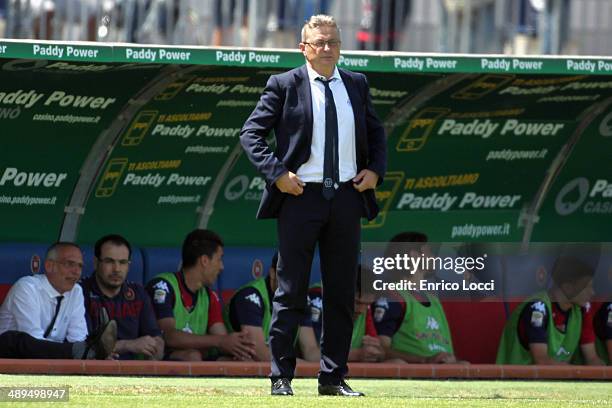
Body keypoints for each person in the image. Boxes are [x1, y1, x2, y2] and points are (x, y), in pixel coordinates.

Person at [240, 13, 386, 396]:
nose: (327, 48)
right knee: (291, 290)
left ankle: (333, 378)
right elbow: (251, 134)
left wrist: (375, 171)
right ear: (303, 48)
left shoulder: (356, 83)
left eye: (333, 42)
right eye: (319, 42)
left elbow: (376, 132)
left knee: (341, 293)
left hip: (346, 197)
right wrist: (277, 174)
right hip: (299, 196)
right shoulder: (283, 84)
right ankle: (280, 377)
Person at [146, 229, 255, 361]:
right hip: (157, 363)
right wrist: (221, 341)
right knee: (193, 356)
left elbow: (222, 337)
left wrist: (239, 346)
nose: (222, 267)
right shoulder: (163, 287)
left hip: (198, 362)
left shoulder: (209, 297)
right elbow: (170, 337)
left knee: (236, 361)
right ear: (204, 260)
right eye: (219, 259)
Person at [0, 242, 116, 359]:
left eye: (80, 266)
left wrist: (87, 352)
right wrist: (82, 351)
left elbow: (78, 338)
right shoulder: (26, 287)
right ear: (49, 266)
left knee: (82, 350)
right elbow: (33, 341)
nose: (76, 272)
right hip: (10, 357)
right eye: (70, 264)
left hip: (47, 362)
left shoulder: (76, 291)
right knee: (18, 340)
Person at [374, 232, 462, 364]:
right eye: (429, 252)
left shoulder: (434, 300)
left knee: (464, 365)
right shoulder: (392, 296)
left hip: (443, 374)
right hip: (411, 376)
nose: (434, 257)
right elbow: (380, 349)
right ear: (414, 255)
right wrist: (425, 361)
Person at [497, 255, 595, 365]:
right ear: (567, 287)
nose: (592, 292)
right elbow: (541, 360)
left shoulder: (581, 309)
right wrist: (575, 373)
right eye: (586, 287)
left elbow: (592, 358)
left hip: (557, 380)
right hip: (517, 380)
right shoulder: (537, 308)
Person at [224, 252, 320, 362]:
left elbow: (310, 350)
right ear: (273, 273)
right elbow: (258, 352)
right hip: (240, 363)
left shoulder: (300, 300)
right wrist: (303, 367)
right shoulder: (250, 296)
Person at [81, 234, 164, 360]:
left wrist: (155, 354)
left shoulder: (138, 293)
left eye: (123, 262)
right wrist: (128, 345)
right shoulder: (80, 292)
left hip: (132, 372)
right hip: (93, 371)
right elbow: (80, 346)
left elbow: (155, 337)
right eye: (109, 261)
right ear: (96, 263)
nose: (117, 269)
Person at [308, 269, 385, 363]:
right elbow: (311, 355)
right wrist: (357, 354)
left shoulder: (365, 307)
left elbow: (378, 350)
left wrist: (376, 352)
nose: (362, 310)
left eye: (367, 304)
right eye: (357, 302)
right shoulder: (318, 298)